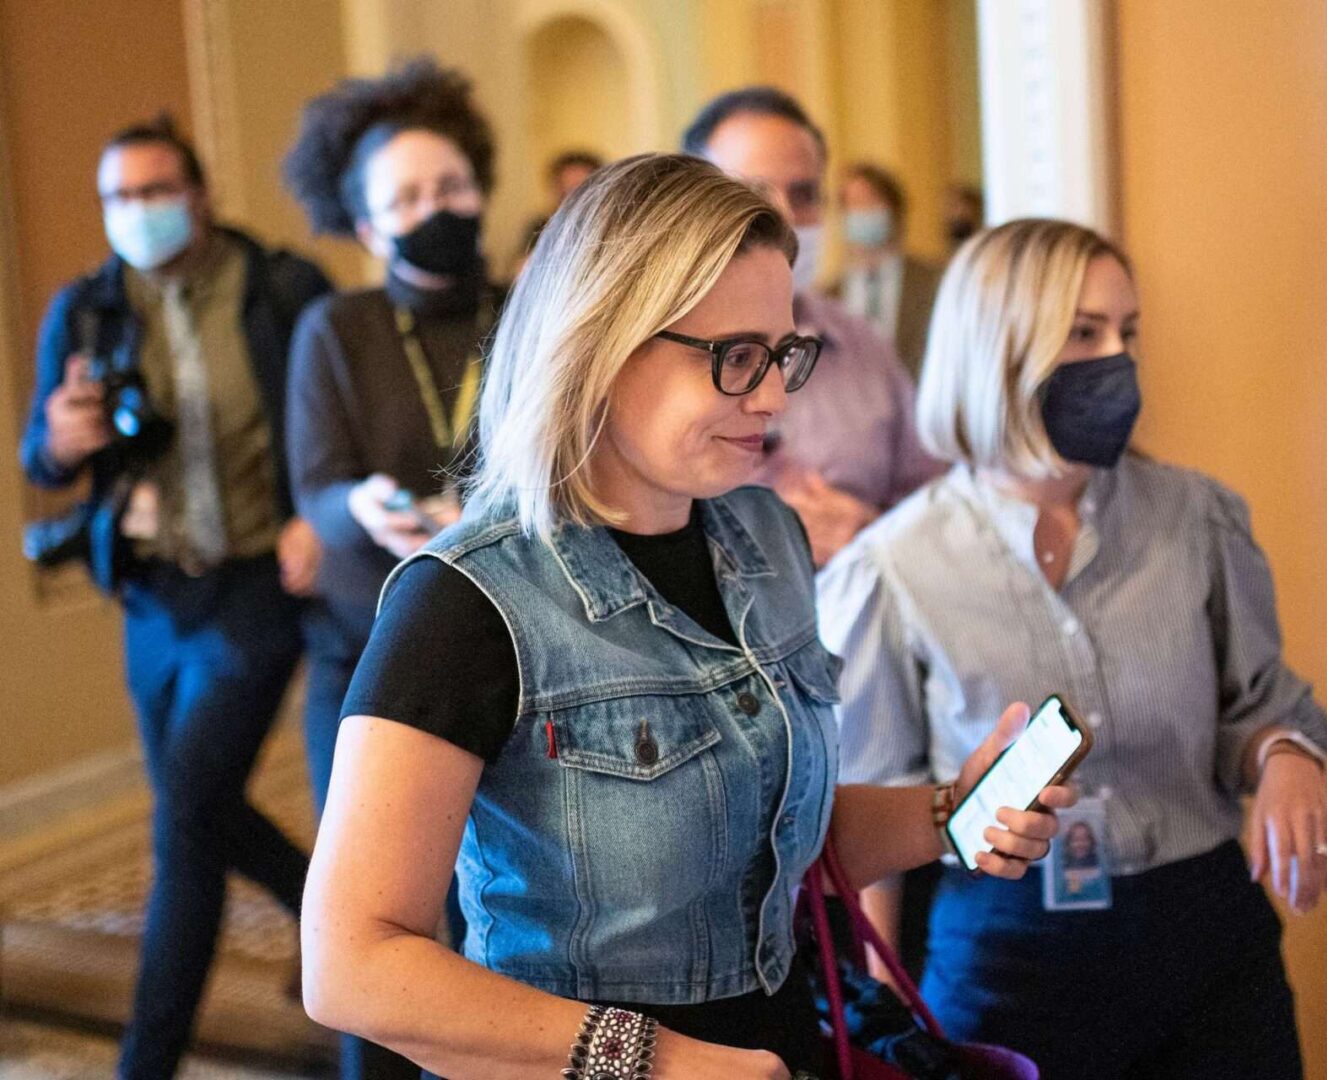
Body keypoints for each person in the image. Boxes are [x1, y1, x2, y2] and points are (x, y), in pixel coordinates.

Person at [298, 153, 1072, 1080]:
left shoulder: (766, 536)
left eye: (782, 356)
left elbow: (762, 838)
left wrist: (950, 811)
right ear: (601, 343)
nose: (774, 397)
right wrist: (654, 1059)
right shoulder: (467, 599)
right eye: (735, 358)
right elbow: (352, 964)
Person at [820, 219, 1327, 1080]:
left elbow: (1259, 706)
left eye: (1128, 332)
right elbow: (876, 812)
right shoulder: (891, 567)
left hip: (1206, 939)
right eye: (1084, 332)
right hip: (1005, 955)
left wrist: (1289, 756)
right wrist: (883, 1021)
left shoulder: (1198, 518)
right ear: (999, 349)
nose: (1118, 359)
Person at [18, 116, 330, 1080]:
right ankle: (328, 910)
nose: (137, 212)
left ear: (199, 193)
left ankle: (144, 1062)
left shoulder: (283, 290)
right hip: (153, 597)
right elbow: (40, 456)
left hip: (258, 585)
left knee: (185, 820)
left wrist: (315, 512)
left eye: (155, 191)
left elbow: (333, 422)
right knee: (202, 808)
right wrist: (60, 442)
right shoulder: (87, 310)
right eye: (118, 197)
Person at [280, 56, 502, 1080]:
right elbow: (317, 486)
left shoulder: (527, 311)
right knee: (371, 931)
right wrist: (364, 508)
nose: (434, 211)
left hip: (505, 655)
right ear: (367, 227)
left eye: (449, 187)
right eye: (406, 198)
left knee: (490, 915)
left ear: (480, 190)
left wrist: (485, 513)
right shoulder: (338, 328)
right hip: (362, 653)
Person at [682, 88, 941, 566]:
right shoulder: (659, 354)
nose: (783, 216)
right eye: (754, 193)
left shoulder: (864, 344)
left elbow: (934, 502)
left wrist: (875, 539)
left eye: (804, 195)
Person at [835, 162, 943, 379]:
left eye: (870, 202)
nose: (861, 212)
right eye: (852, 205)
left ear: (894, 210)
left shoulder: (933, 282)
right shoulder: (830, 294)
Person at [513, 149, 604, 271]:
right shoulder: (541, 227)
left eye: (580, 191)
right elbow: (519, 269)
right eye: (564, 192)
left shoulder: (610, 230)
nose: (571, 200)